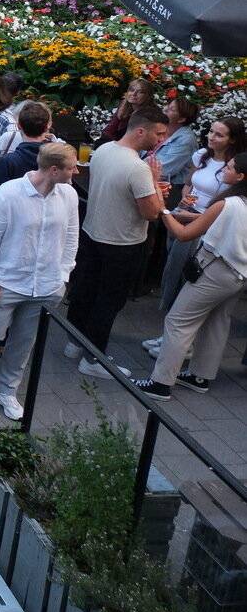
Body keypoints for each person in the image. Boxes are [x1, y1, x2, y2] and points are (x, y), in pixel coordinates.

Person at [0, 142, 80, 420]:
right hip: (7, 282)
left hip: (46, 286)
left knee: (24, 341)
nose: (76, 171)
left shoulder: (69, 195)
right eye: (71, 167)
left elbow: (72, 236)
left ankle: (6, 390)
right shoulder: (9, 193)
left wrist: (63, 275)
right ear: (54, 170)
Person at [66, 103, 168, 376]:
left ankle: (74, 342)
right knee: (109, 301)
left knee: (85, 290)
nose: (161, 140)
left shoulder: (104, 150)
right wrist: (156, 185)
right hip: (123, 244)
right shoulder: (139, 168)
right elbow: (152, 213)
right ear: (140, 131)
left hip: (92, 233)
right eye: (158, 134)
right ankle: (93, 359)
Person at [140, 150, 247, 398]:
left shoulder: (226, 204)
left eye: (229, 168)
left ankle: (160, 382)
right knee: (217, 323)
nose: (224, 170)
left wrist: (164, 211)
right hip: (238, 275)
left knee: (179, 322)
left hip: (214, 268)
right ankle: (200, 376)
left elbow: (184, 234)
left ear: (241, 176)